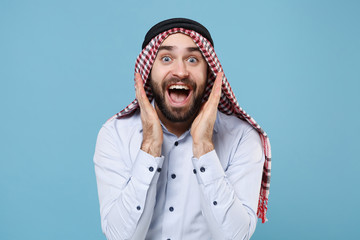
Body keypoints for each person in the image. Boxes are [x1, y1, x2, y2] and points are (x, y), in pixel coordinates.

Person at [94, 18, 271, 240]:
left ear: (209, 75)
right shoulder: (115, 135)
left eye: (193, 59)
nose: (181, 71)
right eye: (166, 58)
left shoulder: (242, 137)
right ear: (148, 72)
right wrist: (149, 147)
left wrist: (204, 147)